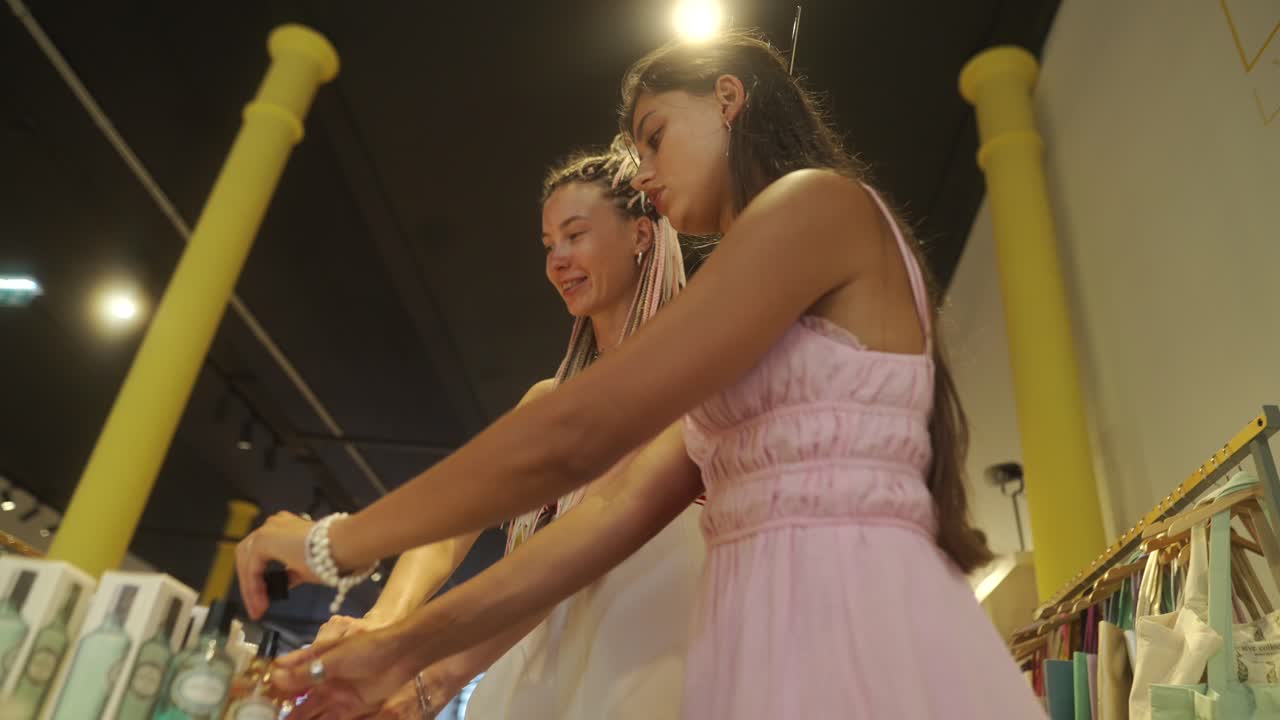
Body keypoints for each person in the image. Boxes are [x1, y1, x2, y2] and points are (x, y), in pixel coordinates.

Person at [238, 30, 1046, 718]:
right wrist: (407, 659)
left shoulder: (815, 204)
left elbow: (574, 437)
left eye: (654, 136)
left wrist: (334, 541)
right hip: (757, 637)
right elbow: (608, 517)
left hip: (846, 622)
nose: (647, 173)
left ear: (728, 98)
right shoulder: (741, 336)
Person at [281, 139, 705, 719]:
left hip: (650, 649)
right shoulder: (549, 399)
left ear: (640, 235)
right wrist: (383, 618)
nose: (557, 259)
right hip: (529, 655)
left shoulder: (691, 375)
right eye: (549, 244)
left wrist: (417, 666)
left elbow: (592, 533)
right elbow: (456, 523)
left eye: (576, 235)